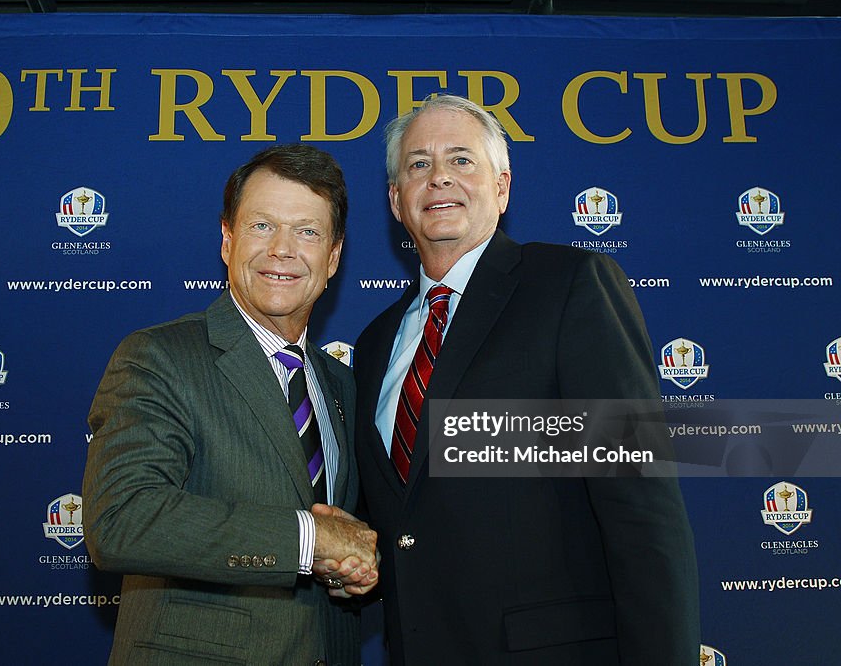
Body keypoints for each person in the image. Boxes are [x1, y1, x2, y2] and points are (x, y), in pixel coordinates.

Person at [353, 95, 700, 665]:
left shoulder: (569, 286)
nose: (439, 176)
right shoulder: (373, 344)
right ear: (396, 200)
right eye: (418, 164)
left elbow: (641, 507)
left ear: (503, 187)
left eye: (462, 160)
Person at [83, 143, 378, 666]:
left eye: (306, 231)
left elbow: (346, 537)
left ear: (332, 258)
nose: (282, 250)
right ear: (227, 239)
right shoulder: (158, 357)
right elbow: (122, 519)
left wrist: (356, 570)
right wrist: (310, 540)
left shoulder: (342, 384)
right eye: (263, 225)